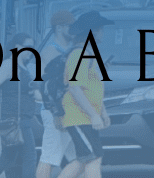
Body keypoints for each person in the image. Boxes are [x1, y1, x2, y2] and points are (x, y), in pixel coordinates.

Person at [55, 12, 112, 178]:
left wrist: (102, 111)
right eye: (101, 29)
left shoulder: (87, 54)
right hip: (79, 116)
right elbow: (74, 87)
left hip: (84, 116)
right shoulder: (80, 54)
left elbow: (91, 88)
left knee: (83, 160)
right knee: (93, 158)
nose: (103, 33)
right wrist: (94, 115)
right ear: (93, 32)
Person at [34, 12, 78, 178]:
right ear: (59, 28)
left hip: (67, 110)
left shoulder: (65, 50)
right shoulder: (50, 52)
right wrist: (57, 113)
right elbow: (50, 88)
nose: (74, 31)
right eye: (70, 27)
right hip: (56, 112)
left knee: (81, 157)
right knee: (49, 157)